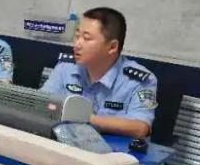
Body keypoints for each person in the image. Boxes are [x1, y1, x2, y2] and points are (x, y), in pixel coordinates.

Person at [41, 7, 157, 138]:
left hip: (112, 149)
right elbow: (41, 103)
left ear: (112, 47)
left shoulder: (138, 80)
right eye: (77, 36)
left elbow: (140, 128)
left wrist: (84, 118)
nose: (77, 45)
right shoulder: (66, 67)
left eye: (86, 38)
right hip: (64, 143)